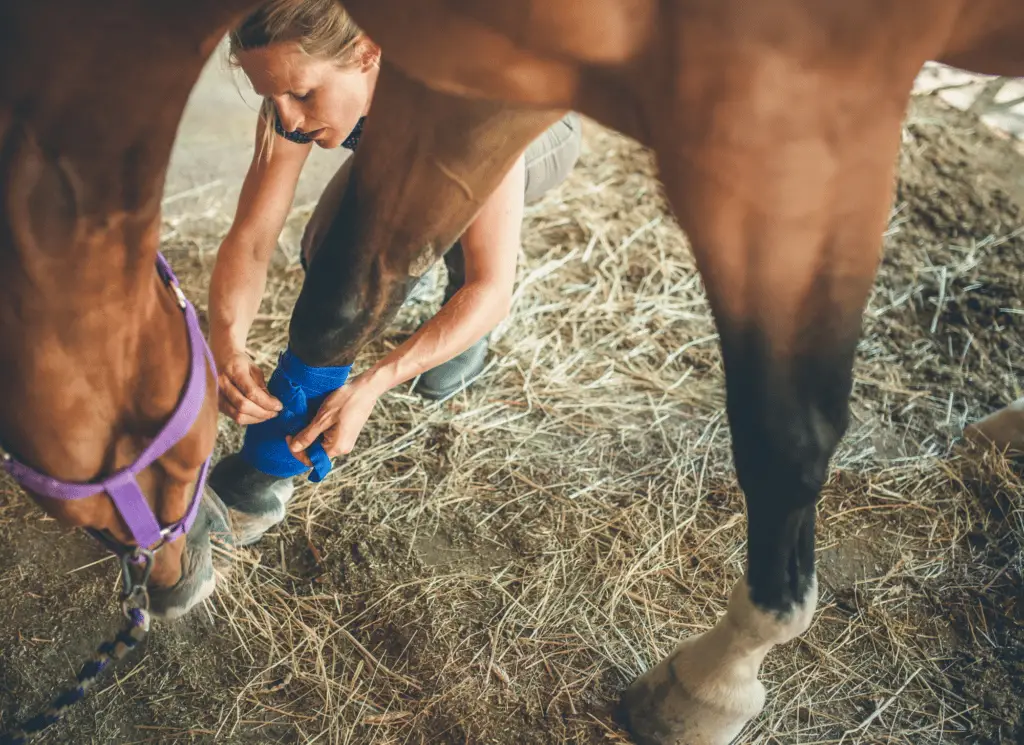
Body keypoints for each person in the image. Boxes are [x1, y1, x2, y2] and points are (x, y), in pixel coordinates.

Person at [207, 0, 581, 464]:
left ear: (367, 53)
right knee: (325, 247)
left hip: (533, 122)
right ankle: (413, 258)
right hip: (408, 137)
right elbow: (252, 237)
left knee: (448, 214)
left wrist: (375, 382)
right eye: (271, 96)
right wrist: (226, 346)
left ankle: (453, 298)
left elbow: (492, 287)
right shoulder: (291, 94)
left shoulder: (469, 89)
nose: (287, 119)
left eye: (302, 95)